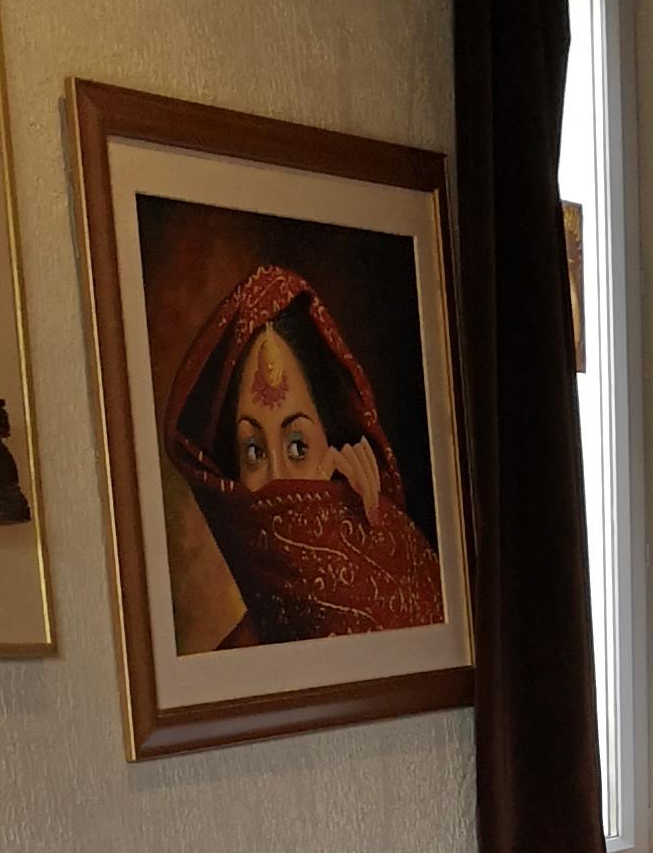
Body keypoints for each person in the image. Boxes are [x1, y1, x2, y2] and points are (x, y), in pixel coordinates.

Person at [161, 261, 446, 648]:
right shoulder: (235, 657)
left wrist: (371, 537)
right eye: (254, 451)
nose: (278, 477)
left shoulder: (407, 584)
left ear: (333, 441)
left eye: (298, 447)